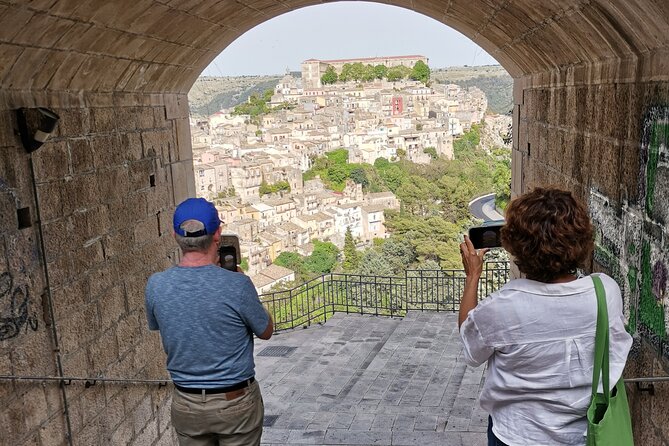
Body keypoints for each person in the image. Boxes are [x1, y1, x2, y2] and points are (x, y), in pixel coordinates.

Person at [458, 187, 632, 446]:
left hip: (516, 435)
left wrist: (472, 277)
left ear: (517, 246)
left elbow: (470, 348)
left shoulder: (502, 307)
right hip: (584, 434)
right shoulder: (604, 292)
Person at [145, 197, 273, 446]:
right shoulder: (237, 285)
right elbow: (266, 330)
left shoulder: (156, 285)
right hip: (234, 401)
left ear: (175, 235)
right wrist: (245, 285)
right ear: (218, 235)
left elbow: (161, 325)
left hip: (187, 403)